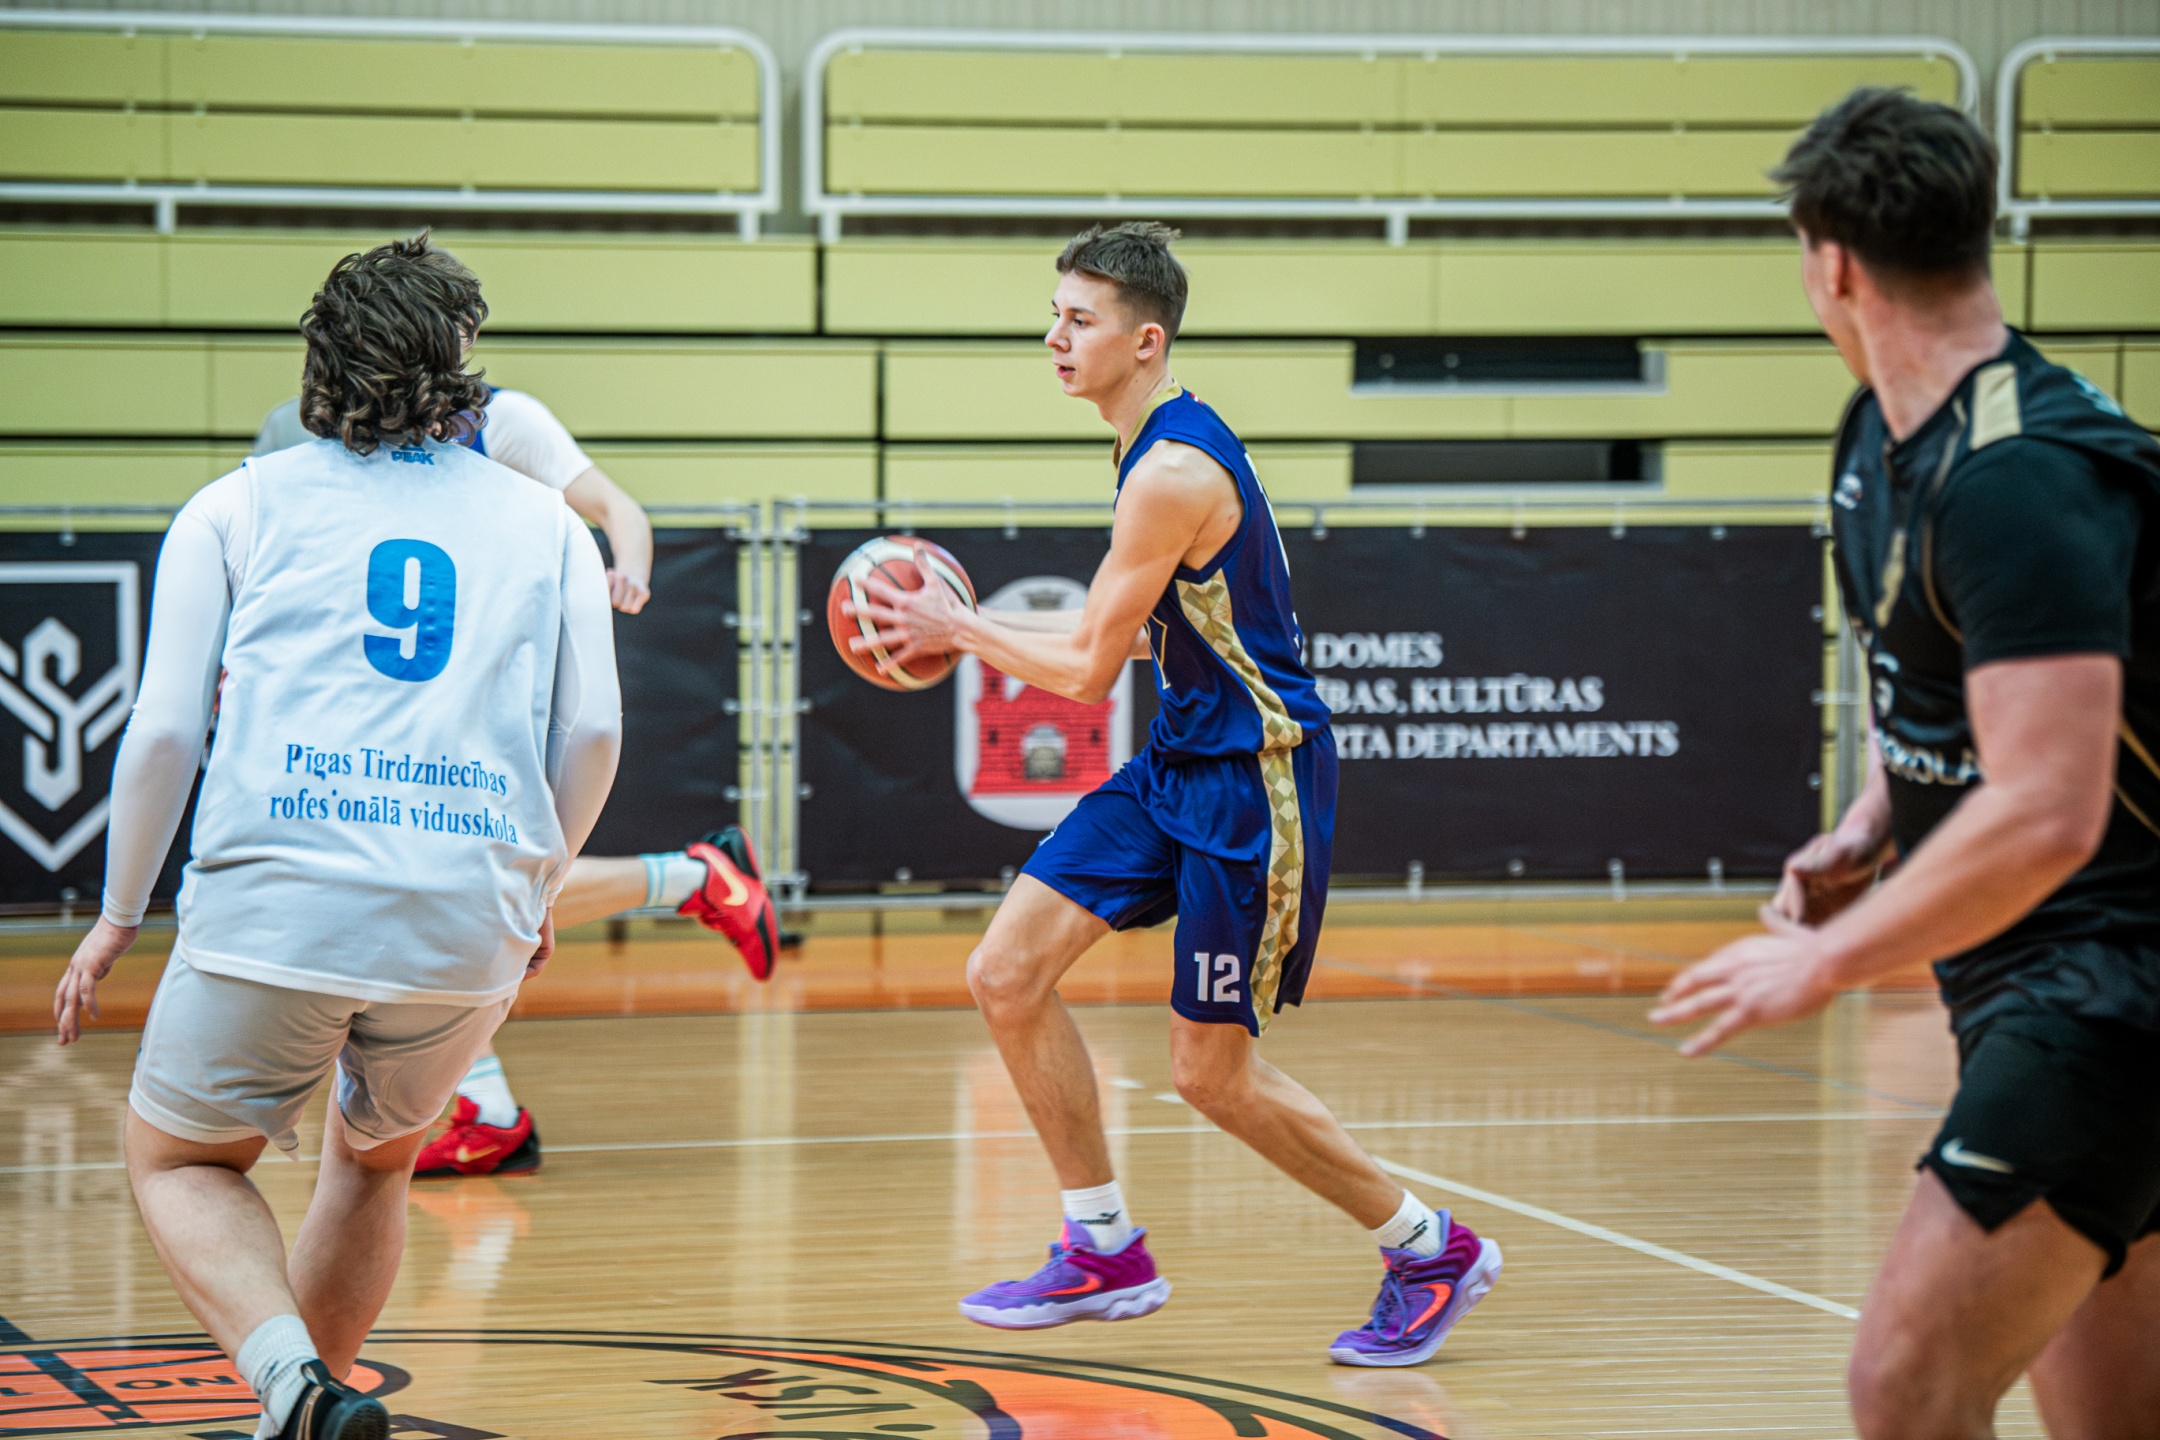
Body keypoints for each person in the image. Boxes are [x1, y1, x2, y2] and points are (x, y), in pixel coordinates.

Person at [845, 222, 1502, 1366]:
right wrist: (977, 629)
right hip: (1180, 761)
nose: (1055, 338)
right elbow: (1149, 635)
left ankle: (1428, 1248)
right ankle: (1102, 1246)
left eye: (1079, 320)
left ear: (1145, 341)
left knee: (1211, 1076)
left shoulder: (1170, 472)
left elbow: (1085, 673)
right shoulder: (1146, 446)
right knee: (1005, 972)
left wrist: (960, 627)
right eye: (1053, 315)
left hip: (1257, 781)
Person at [53, 234, 624, 1439]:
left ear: (320, 359)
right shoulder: (549, 523)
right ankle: (304, 1414)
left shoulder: (236, 503)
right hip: (465, 916)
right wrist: (538, 893)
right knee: (374, 1164)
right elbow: (594, 733)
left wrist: (115, 918)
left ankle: (287, 1382)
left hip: (276, 901)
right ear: (462, 364)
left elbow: (164, 734)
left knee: (181, 1160)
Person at [1650, 89, 2160, 1438]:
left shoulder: (2018, 476)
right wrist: (1877, 820)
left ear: (1831, 263)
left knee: (1905, 1383)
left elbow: (2049, 807)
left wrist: (1826, 961)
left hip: (2105, 984)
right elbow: (1935, 678)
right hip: (2030, 979)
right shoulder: (1881, 434)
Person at [253, 334, 780, 1181]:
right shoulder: (304, 432)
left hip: (484, 698)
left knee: (458, 890)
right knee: (423, 899)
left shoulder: (507, 423)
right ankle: (495, 1097)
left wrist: (628, 574)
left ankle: (688, 883)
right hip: (384, 703)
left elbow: (620, 510)